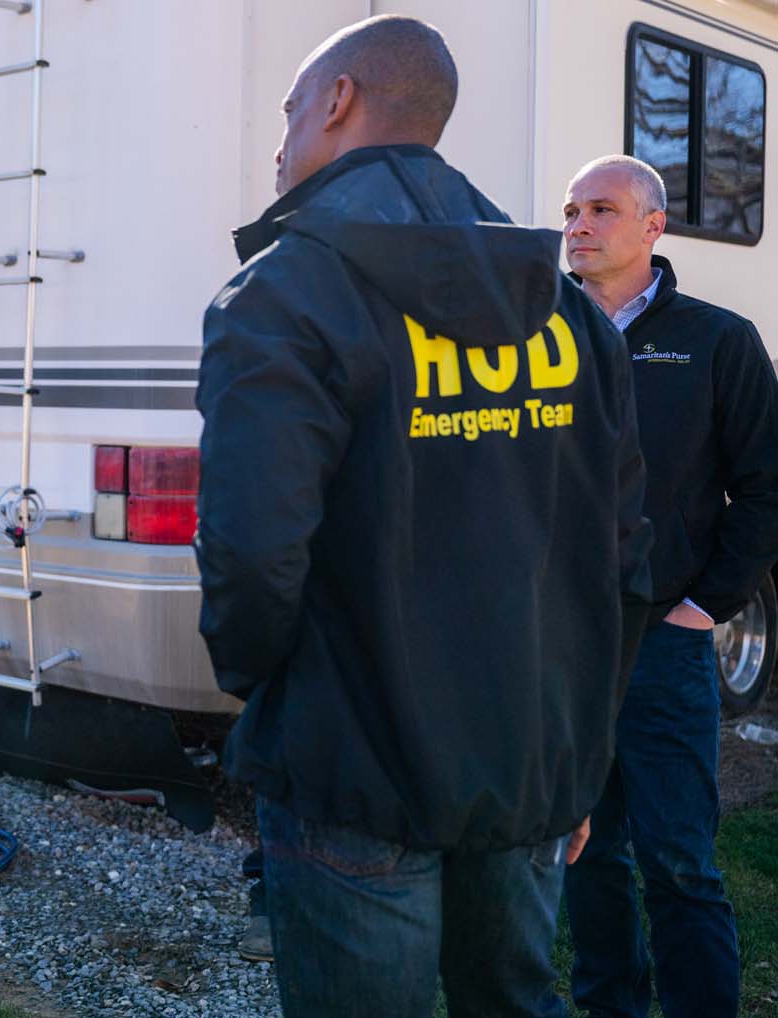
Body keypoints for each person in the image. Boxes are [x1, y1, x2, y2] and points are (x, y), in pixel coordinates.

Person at [195, 16, 652, 1018]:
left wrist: (263, 694)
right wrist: (579, 746)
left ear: (340, 101)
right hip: (531, 760)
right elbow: (621, 555)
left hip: (354, 767)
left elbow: (251, 556)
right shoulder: (569, 310)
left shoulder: (280, 296)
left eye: (288, 113)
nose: (278, 144)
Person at [561, 154, 778, 1018]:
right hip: (561, 647)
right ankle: (611, 1005)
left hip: (662, 643)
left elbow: (764, 486)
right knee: (585, 853)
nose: (576, 225)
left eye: (600, 210)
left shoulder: (716, 339)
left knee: (678, 860)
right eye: (570, 210)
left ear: (652, 228)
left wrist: (705, 608)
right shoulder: (534, 336)